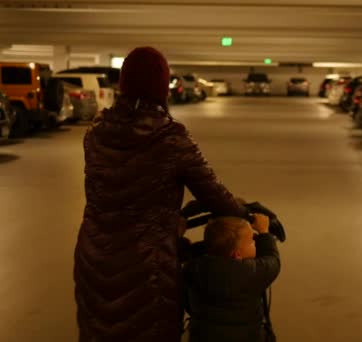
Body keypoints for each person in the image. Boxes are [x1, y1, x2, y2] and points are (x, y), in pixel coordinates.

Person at [73, 46, 249, 342]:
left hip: (94, 257)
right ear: (162, 87)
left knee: (99, 331)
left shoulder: (96, 131)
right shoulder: (171, 137)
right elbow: (214, 196)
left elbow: (114, 192)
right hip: (148, 269)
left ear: (123, 85)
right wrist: (246, 215)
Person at [184, 214, 281, 342]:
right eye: (252, 241)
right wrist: (264, 232)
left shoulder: (192, 268)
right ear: (237, 254)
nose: (255, 243)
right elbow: (273, 261)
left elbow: (186, 301)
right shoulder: (252, 272)